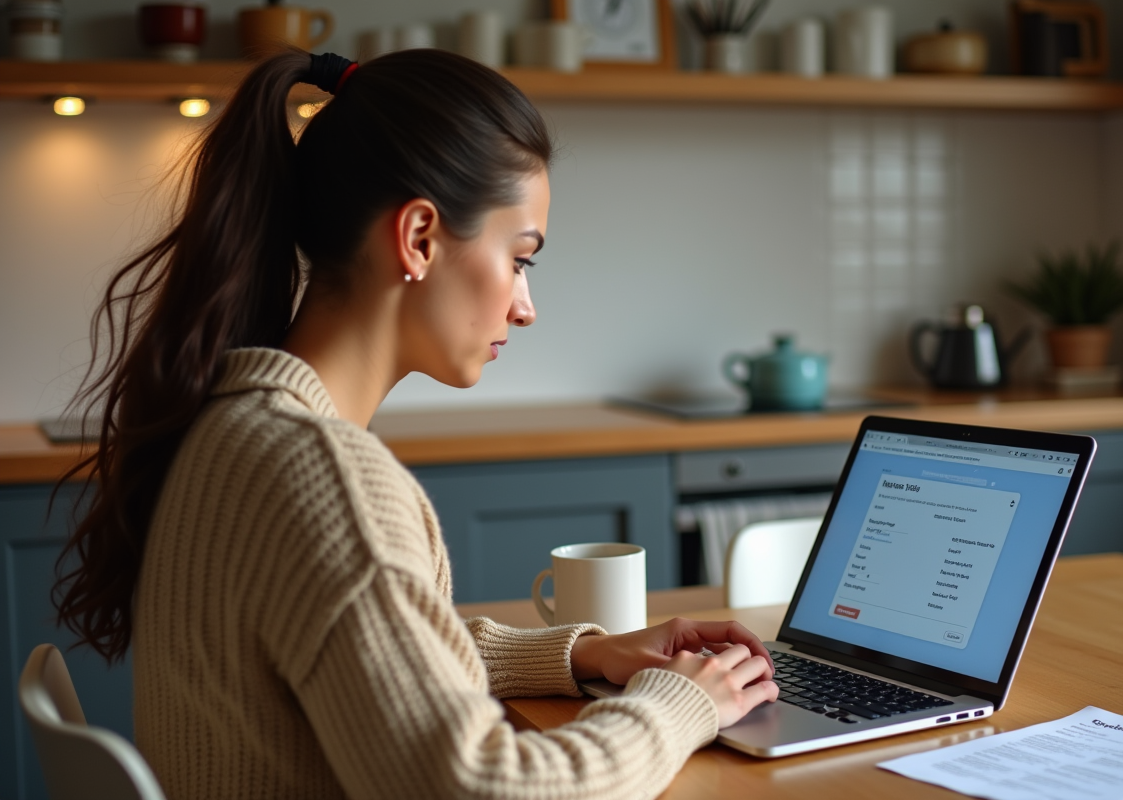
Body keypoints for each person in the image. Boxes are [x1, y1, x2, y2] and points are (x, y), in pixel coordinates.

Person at [52, 49, 779, 799]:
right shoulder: (326, 480)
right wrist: (684, 704)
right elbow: (480, 789)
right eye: (520, 258)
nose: (526, 307)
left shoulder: (231, 429)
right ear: (420, 237)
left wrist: (588, 655)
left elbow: (365, 654)